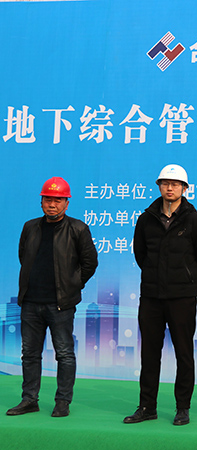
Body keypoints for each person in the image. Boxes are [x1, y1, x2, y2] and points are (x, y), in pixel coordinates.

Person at [124, 164, 197, 426]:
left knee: (184, 354)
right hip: (151, 297)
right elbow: (141, 255)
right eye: (165, 183)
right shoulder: (146, 219)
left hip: (182, 298)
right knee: (149, 354)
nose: (170, 188)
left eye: (175, 184)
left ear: (185, 188)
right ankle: (147, 407)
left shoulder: (195, 221)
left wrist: (188, 284)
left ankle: (182, 408)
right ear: (159, 186)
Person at [7, 177, 98, 418]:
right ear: (41, 202)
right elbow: (24, 257)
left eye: (58, 200)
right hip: (31, 302)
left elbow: (90, 263)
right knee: (29, 354)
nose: (52, 204)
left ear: (67, 203)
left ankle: (62, 401)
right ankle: (29, 400)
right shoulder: (30, 227)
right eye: (48, 199)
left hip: (61, 304)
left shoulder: (78, 229)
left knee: (64, 354)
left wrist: (72, 285)